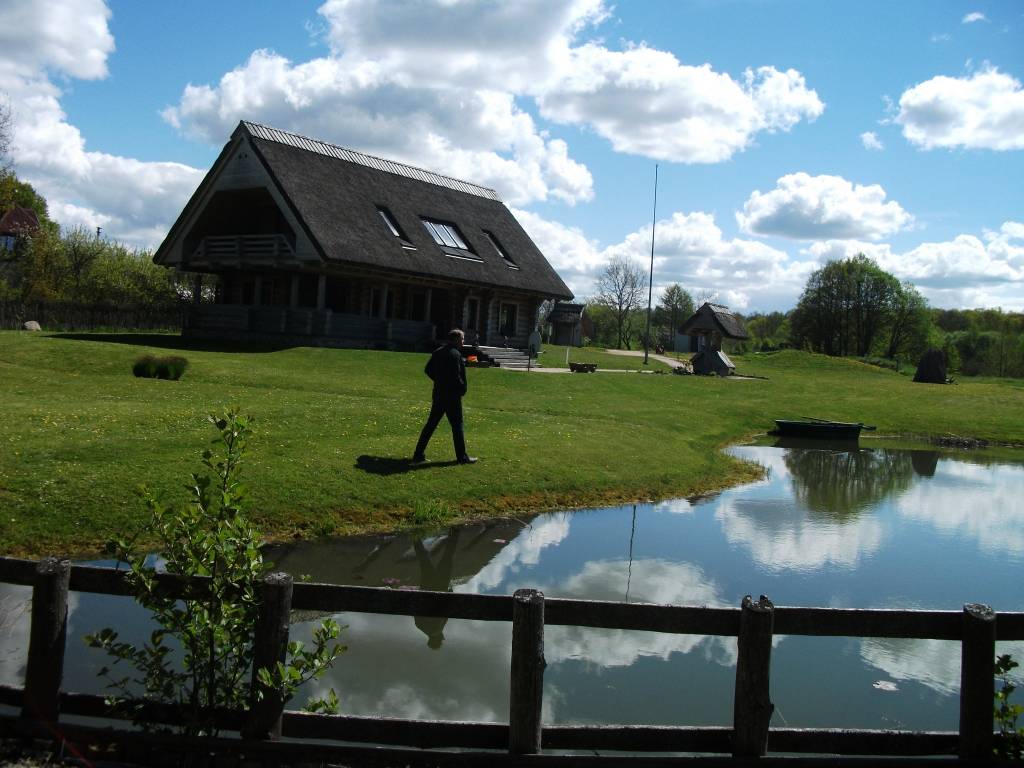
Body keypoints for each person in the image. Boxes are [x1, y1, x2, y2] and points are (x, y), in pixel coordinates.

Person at [412, 329, 477, 464]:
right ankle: (462, 457)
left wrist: (439, 380)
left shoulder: (438, 352)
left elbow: (428, 370)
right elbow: (456, 376)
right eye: (462, 339)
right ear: (455, 339)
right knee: (457, 426)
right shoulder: (455, 354)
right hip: (452, 397)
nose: (463, 342)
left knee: (431, 424)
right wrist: (461, 389)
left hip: (439, 394)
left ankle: (418, 454)